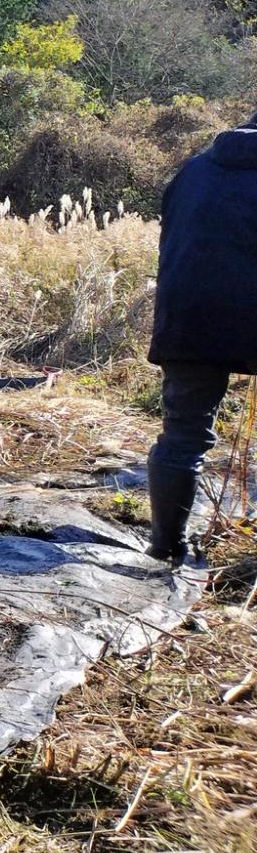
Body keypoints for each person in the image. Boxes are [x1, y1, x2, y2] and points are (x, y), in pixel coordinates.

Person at [143, 111, 257, 569]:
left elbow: (170, 238)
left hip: (189, 316)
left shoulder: (194, 168)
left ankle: (166, 546)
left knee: (182, 436)